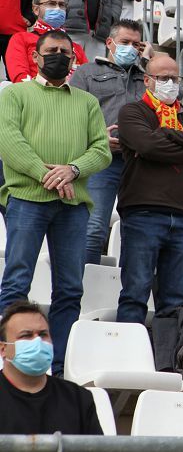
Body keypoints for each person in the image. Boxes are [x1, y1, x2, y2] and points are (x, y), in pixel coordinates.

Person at [0, 29, 110, 375]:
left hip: (72, 206)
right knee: (17, 281)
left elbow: (101, 150)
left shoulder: (87, 102)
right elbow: (9, 141)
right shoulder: (15, 94)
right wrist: (45, 174)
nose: (58, 55)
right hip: (27, 199)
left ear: (74, 58)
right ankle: (9, 357)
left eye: (64, 50)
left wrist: (73, 170)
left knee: (69, 288)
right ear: (36, 56)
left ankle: (58, 364)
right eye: (51, 50)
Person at [114, 54, 183, 326]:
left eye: (175, 78)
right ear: (148, 80)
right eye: (163, 78)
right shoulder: (133, 111)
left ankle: (167, 357)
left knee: (174, 300)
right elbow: (148, 146)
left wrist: (168, 133)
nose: (171, 83)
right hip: (143, 213)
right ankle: (129, 356)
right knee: (135, 293)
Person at [69, 19, 147, 266]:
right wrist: (97, 136)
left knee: (139, 235)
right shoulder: (86, 73)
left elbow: (172, 101)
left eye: (136, 44)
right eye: (125, 42)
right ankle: (83, 292)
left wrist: (149, 61)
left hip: (140, 165)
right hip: (100, 162)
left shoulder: (148, 78)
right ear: (110, 43)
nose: (131, 48)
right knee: (93, 230)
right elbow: (71, 114)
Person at [0, 300, 103, 434]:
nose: (37, 341)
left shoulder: (79, 399)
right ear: (3, 349)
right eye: (26, 335)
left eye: (43, 335)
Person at [5, 0, 86, 83]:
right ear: (36, 9)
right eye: (51, 3)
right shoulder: (21, 39)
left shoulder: (76, 48)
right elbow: (19, 75)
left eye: (61, 5)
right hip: (33, 94)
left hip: (72, 95)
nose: (57, 8)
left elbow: (87, 78)